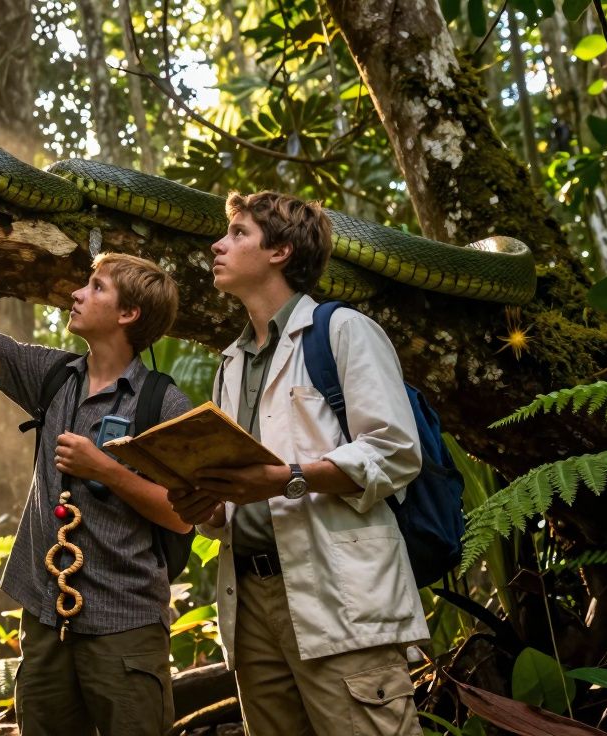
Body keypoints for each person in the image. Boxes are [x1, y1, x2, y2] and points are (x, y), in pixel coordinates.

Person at [0, 180, 193, 735]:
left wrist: (106, 470)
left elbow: (184, 513)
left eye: (95, 287)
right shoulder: (51, 376)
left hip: (126, 627)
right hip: (45, 622)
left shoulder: (162, 402)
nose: (77, 293)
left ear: (128, 314)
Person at [168, 191, 428, 735]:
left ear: (281, 251)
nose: (218, 244)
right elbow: (238, 495)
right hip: (251, 606)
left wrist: (286, 479)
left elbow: (395, 451)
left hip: (340, 597)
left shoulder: (342, 331)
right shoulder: (230, 363)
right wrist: (207, 506)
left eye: (238, 233)